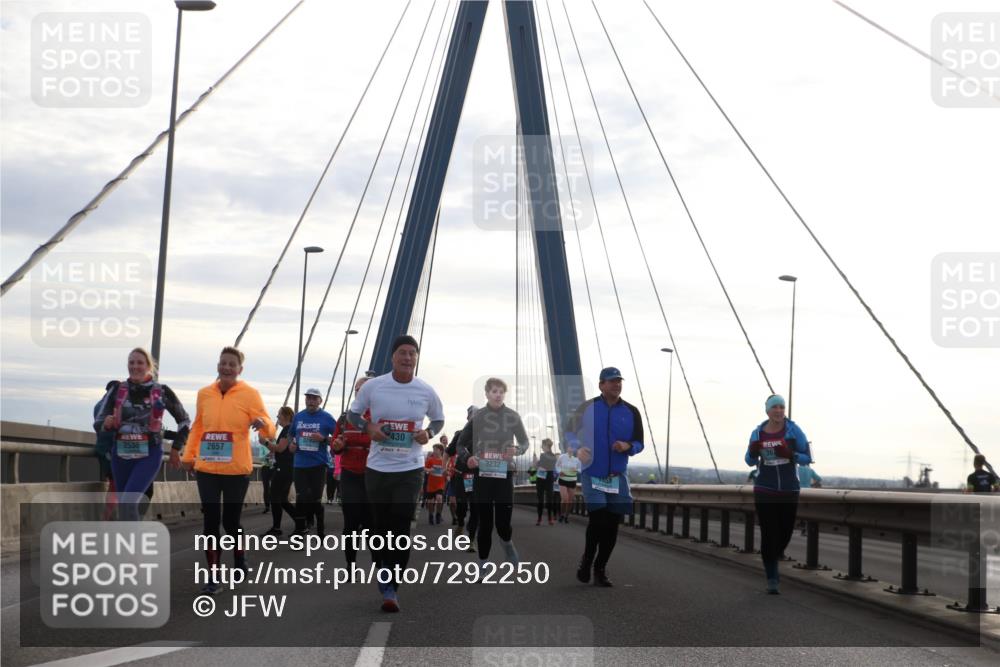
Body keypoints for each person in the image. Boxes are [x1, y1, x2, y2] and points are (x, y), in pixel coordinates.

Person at [347, 335, 445, 613]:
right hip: (377, 468)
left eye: (411, 353)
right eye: (402, 352)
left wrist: (429, 433)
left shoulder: (426, 390)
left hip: (410, 468)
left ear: (416, 358)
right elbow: (353, 415)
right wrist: (369, 429)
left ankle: (392, 588)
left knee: (401, 526)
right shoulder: (375, 387)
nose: (406, 358)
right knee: (379, 527)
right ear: (393, 357)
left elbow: (438, 419)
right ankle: (382, 568)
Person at [182, 346, 275, 595]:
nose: (226, 367)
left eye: (232, 364)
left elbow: (270, 428)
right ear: (218, 365)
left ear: (239, 369)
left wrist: (262, 424)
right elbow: (198, 427)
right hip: (207, 469)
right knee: (210, 522)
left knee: (231, 522)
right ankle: (213, 576)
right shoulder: (204, 394)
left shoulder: (250, 394)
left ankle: (240, 558)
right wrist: (188, 456)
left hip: (236, 471)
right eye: (223, 363)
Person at [566, 367, 644, 588]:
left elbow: (639, 442)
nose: (616, 385)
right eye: (611, 381)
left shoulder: (632, 411)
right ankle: (587, 560)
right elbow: (569, 432)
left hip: (617, 476)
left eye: (619, 381)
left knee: (612, 525)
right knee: (598, 519)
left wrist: (628, 445)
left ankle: (600, 568)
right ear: (601, 385)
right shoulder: (587, 408)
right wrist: (577, 448)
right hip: (593, 474)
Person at [96, 348, 190, 521]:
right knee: (124, 504)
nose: (135, 366)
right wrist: (106, 423)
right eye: (131, 362)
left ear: (148, 366)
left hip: (149, 454)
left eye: (140, 362)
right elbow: (99, 420)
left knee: (129, 502)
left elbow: (184, 421)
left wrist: (177, 448)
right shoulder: (117, 389)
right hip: (121, 454)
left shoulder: (161, 391)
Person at [459, 378, 529, 572]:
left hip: (504, 475)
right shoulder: (479, 417)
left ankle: (507, 545)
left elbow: (524, 443)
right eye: (494, 391)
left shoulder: (512, 416)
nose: (498, 395)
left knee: (503, 524)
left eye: (501, 392)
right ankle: (482, 563)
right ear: (487, 394)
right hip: (483, 475)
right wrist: (468, 458)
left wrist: (517, 449)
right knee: (485, 523)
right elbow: (461, 444)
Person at [745, 394, 811, 594]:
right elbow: (749, 460)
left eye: (782, 407)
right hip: (764, 488)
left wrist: (791, 455)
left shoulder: (794, 430)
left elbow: (807, 457)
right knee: (768, 533)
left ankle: (775, 554)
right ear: (767, 410)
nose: (779, 410)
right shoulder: (757, 433)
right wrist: (753, 452)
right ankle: (772, 577)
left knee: (785, 533)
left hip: (789, 489)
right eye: (775, 407)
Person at [331, 376, 375, 566]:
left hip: (373, 475)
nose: (361, 392)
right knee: (351, 522)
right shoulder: (344, 418)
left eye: (365, 389)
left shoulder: (380, 417)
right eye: (358, 389)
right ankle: (351, 564)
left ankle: (378, 563)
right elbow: (334, 445)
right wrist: (338, 445)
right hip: (350, 474)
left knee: (371, 523)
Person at [290, 388, 337, 537]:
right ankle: (300, 529)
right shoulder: (298, 417)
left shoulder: (327, 418)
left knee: (315, 499)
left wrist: (323, 439)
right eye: (308, 398)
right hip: (300, 464)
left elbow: (338, 439)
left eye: (314, 398)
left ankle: (320, 529)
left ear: (320, 401)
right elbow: (291, 435)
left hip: (318, 465)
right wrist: (292, 444)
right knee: (301, 497)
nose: (310, 401)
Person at [262, 406, 298, 536]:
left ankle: (278, 527)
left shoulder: (287, 430)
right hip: (287, 468)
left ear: (286, 416)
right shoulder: (289, 430)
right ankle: (300, 524)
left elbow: (280, 448)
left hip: (284, 468)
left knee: (275, 497)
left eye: (279, 415)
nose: (277, 417)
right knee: (282, 499)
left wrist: (265, 443)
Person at [446, 406, 477, 545]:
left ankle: (471, 538)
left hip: (478, 477)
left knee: (477, 507)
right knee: (462, 505)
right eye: (472, 416)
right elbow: (448, 452)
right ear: (468, 417)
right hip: (461, 475)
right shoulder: (460, 434)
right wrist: (444, 467)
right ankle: (460, 522)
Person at [536, 439, 558, 525]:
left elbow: (541, 465)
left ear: (546, 446)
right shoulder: (553, 457)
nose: (541, 447)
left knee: (544, 500)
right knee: (546, 500)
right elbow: (544, 465)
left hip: (544, 479)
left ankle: (541, 519)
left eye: (542, 445)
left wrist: (538, 464)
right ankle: (547, 519)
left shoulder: (544, 456)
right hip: (546, 479)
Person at [556, 448, 580, 523]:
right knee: (565, 499)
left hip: (572, 480)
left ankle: (566, 516)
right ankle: (562, 515)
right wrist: (559, 471)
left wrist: (576, 470)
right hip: (563, 480)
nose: (571, 448)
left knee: (570, 501)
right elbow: (557, 466)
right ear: (567, 447)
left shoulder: (577, 459)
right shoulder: (562, 457)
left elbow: (581, 469)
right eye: (570, 446)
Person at [424, 443, 447, 524]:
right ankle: (431, 514)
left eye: (436, 449)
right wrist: (429, 470)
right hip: (431, 484)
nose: (434, 451)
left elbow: (447, 470)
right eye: (433, 449)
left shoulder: (444, 461)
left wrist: (447, 473)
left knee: (439, 498)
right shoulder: (430, 459)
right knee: (430, 502)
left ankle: (438, 514)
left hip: (440, 484)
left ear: (440, 451)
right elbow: (424, 468)